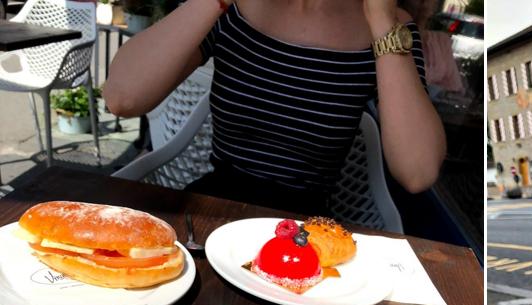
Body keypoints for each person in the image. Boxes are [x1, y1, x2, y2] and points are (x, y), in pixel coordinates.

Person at [104, 0, 446, 216]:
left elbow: (418, 172)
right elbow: (122, 96)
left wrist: (383, 22)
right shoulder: (235, 8)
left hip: (305, 234)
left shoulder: (388, 27)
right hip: (213, 212)